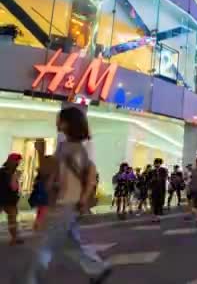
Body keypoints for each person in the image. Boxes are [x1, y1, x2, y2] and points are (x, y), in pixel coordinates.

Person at [21, 106, 111, 284]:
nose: (57, 122)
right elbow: (55, 171)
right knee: (70, 243)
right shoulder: (68, 146)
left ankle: (31, 279)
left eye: (59, 119)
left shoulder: (76, 147)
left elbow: (88, 173)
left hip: (67, 202)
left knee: (45, 243)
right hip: (65, 201)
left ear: (68, 123)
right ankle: (97, 268)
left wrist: (40, 152)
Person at [0, 153, 23, 246]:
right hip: (7, 200)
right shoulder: (12, 173)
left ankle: (14, 238)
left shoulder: (1, 171)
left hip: (9, 200)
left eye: (18, 161)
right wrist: (16, 177)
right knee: (13, 221)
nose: (18, 163)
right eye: (17, 161)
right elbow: (13, 187)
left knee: (13, 221)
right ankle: (14, 239)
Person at [150, 158, 169, 222]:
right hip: (154, 189)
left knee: (160, 202)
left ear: (160, 163)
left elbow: (165, 177)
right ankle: (155, 217)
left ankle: (158, 217)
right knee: (154, 203)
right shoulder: (152, 171)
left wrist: (160, 178)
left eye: (158, 163)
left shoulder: (163, 170)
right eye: (155, 163)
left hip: (161, 189)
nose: (156, 164)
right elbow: (149, 180)